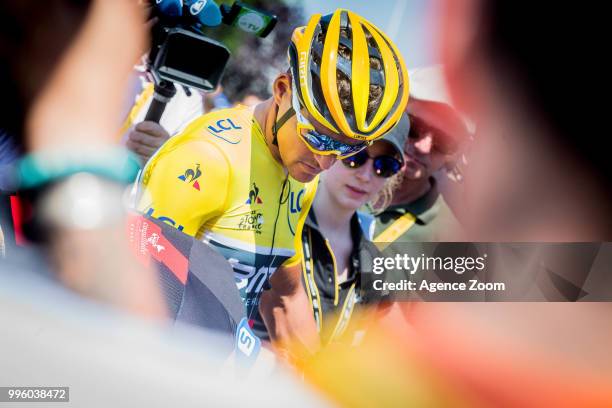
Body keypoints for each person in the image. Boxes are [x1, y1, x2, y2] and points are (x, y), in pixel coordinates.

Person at [135, 9, 410, 358]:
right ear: (282, 90)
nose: (326, 163)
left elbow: (284, 299)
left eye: (348, 148)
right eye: (320, 139)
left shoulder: (301, 174)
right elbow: (136, 310)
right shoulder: (206, 161)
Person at [299, 119, 408, 346]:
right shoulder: (283, 220)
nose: (366, 176)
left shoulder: (376, 265)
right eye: (354, 156)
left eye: (384, 165)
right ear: (329, 148)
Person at [374, 102, 468, 244]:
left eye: (442, 142)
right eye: (414, 127)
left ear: (452, 158)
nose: (422, 147)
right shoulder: (340, 169)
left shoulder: (450, 241)